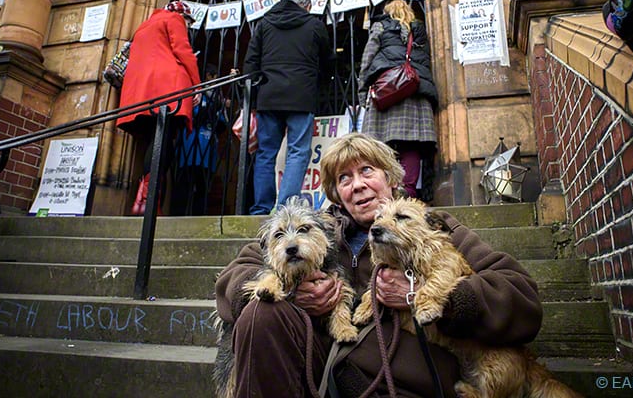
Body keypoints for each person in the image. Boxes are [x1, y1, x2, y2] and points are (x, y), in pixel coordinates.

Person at [214, 132, 543, 398]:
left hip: (409, 377)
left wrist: (430, 296)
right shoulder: (317, 229)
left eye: (367, 171)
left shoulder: (432, 225)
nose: (357, 184)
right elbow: (236, 274)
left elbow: (520, 295)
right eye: (344, 178)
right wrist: (289, 292)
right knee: (262, 311)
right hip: (320, 369)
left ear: (390, 178)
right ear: (337, 193)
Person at [243, 0, 331, 215]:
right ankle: (286, 207)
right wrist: (318, 87)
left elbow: (251, 62)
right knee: (298, 151)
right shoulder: (314, 25)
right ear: (306, 6)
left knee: (265, 153)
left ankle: (261, 208)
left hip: (269, 96)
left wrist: (253, 98)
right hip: (301, 97)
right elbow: (328, 60)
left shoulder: (265, 24)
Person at [116, 0, 202, 214]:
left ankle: (142, 200)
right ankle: (148, 200)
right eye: (188, 22)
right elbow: (183, 50)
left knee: (154, 142)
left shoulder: (145, 25)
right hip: (167, 89)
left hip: (142, 93)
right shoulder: (174, 19)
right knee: (164, 143)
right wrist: (197, 86)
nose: (188, 26)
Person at [358, 0, 438, 199]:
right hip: (415, 94)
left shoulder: (381, 26)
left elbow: (367, 59)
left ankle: (383, 196)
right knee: (411, 146)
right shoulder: (419, 29)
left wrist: (362, 92)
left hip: (387, 93)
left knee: (380, 150)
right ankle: (407, 194)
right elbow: (428, 60)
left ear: (388, 12)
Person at [172, 64, 228, 216]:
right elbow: (189, 115)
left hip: (207, 148)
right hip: (190, 146)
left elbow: (222, 124)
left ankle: (197, 216)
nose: (214, 81)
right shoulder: (196, 93)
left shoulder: (217, 98)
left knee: (202, 188)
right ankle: (177, 216)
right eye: (212, 77)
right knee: (184, 184)